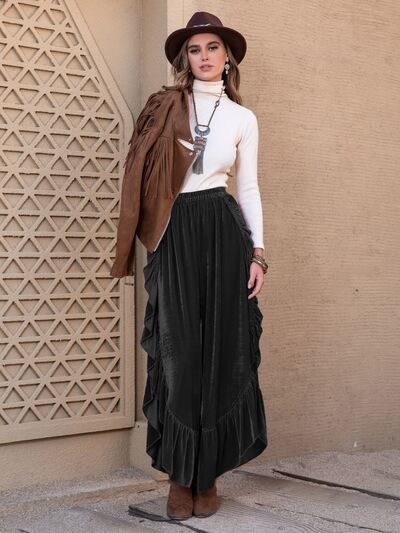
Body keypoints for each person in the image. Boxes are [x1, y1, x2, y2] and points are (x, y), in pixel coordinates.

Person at [110, 11, 269, 521]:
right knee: (178, 354)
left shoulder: (243, 119)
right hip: (174, 229)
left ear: (228, 58)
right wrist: (154, 238)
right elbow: (139, 174)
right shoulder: (163, 106)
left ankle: (208, 477)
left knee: (221, 350)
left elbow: (247, 188)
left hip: (222, 230)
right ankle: (180, 476)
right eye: (195, 49)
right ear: (185, 58)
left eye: (212, 48)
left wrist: (258, 253)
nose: (204, 56)